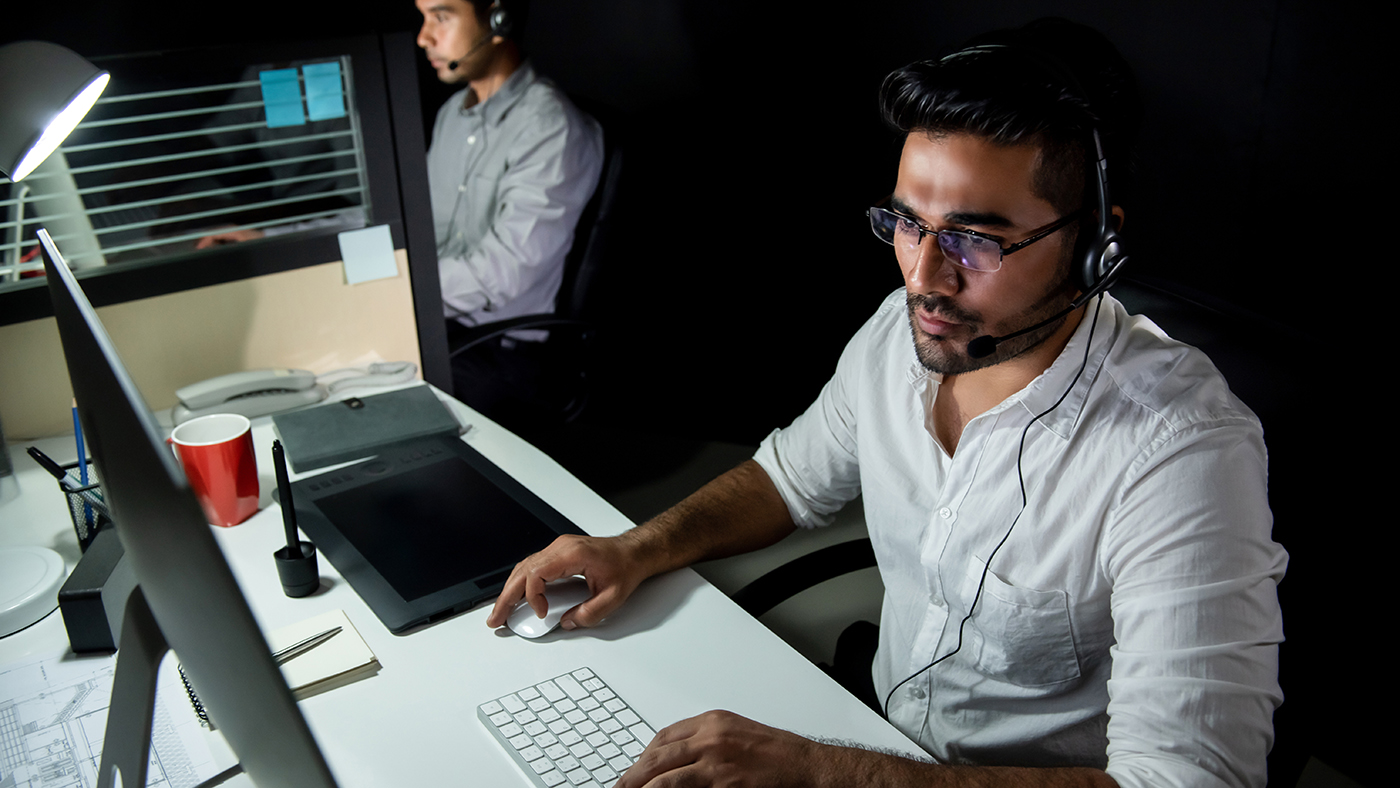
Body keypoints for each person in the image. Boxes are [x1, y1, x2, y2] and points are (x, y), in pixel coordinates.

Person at [486, 18, 1285, 788]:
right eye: (908, 222)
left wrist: (828, 772)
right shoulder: (898, 334)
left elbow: (1188, 777)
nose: (925, 277)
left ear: (1092, 248)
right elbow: (786, 482)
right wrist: (636, 549)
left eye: (975, 239)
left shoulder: (1182, 451)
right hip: (872, 740)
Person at [201, 0, 604, 433]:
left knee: (358, 411)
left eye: (442, 17)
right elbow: (403, 221)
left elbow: (503, 274)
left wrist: (387, 283)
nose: (423, 37)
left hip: (499, 353)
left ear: (498, 20)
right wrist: (274, 238)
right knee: (311, 373)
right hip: (439, 325)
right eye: (423, 18)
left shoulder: (549, 127)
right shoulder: (455, 114)